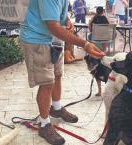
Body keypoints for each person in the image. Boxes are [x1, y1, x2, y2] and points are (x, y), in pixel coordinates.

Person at [19, 0, 105, 145]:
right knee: (47, 83)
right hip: (37, 39)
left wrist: (66, 19)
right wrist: (85, 44)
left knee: (57, 75)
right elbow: (53, 26)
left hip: (55, 40)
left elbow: (57, 14)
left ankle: (56, 108)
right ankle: (44, 124)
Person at [88, 6, 109, 97]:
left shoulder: (94, 18)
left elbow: (90, 27)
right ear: (103, 11)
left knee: (90, 37)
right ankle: (103, 52)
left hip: (95, 39)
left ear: (96, 11)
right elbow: (108, 26)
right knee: (106, 38)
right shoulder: (104, 17)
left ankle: (96, 51)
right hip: (104, 39)